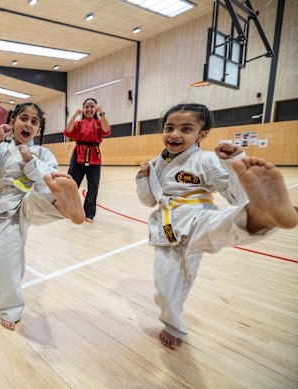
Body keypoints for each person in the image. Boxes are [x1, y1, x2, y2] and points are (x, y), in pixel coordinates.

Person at [136, 103, 298, 349]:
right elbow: (148, 201)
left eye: (186, 129)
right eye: (169, 128)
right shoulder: (156, 163)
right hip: (167, 228)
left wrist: (232, 164)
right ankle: (172, 324)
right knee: (165, 286)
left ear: (202, 134)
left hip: (198, 216)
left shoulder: (208, 160)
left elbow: (236, 199)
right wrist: (143, 178)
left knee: (220, 226)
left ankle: (260, 215)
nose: (175, 134)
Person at [0, 102, 85, 331]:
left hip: (32, 201)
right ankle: (10, 308)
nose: (29, 124)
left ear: (38, 130)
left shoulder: (43, 153)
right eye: (24, 118)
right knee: (6, 258)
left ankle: (66, 206)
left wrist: (30, 162)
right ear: (12, 121)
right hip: (7, 208)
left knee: (47, 183)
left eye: (35, 122)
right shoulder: (2, 148)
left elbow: (50, 176)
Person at [63, 98, 111, 223]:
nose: (89, 109)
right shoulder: (78, 124)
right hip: (78, 155)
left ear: (95, 109)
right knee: (72, 184)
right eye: (86, 107)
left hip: (94, 156)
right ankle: (68, 210)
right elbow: (67, 131)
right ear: (83, 109)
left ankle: (88, 214)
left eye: (92, 107)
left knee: (93, 186)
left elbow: (106, 130)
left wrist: (102, 113)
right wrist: (74, 115)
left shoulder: (99, 122)